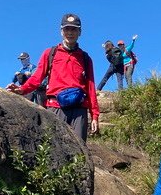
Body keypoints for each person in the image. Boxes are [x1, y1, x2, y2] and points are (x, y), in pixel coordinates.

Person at [6, 14, 99, 142]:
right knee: (55, 151)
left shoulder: (85, 58)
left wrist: (95, 115)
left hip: (79, 110)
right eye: (67, 29)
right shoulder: (50, 53)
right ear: (61, 31)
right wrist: (22, 89)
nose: (70, 33)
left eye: (74, 29)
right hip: (56, 107)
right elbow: (37, 77)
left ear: (80, 32)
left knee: (80, 153)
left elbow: (91, 88)